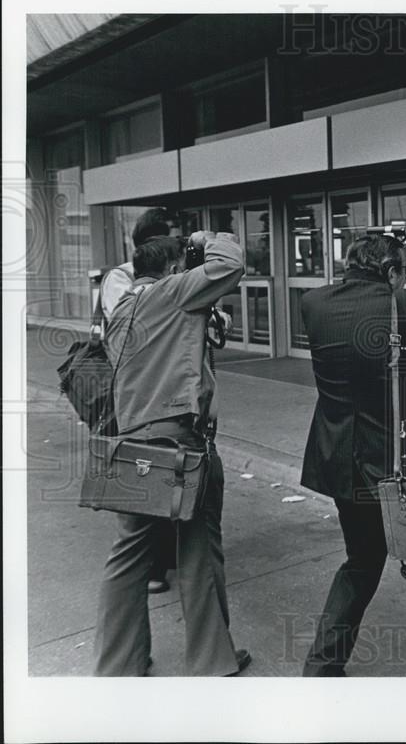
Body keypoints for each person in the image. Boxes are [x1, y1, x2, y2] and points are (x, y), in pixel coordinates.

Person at [299, 234, 406, 677]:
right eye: (403, 270)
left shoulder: (313, 303)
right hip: (401, 457)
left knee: (361, 560)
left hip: (339, 457)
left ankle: (322, 665)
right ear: (391, 271)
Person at [95, 231, 250, 676]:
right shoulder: (169, 293)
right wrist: (209, 236)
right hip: (179, 440)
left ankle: (118, 664)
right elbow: (229, 264)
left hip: (133, 441)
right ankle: (212, 660)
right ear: (171, 269)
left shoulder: (122, 310)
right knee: (199, 547)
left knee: (128, 556)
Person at [95, 207, 182, 595]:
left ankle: (166, 555)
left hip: (165, 393)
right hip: (137, 396)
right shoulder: (122, 278)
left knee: (170, 477)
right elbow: (131, 331)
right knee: (145, 479)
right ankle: (150, 566)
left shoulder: (172, 280)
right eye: (174, 238)